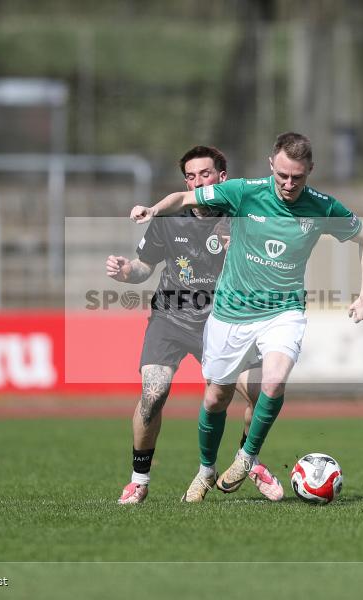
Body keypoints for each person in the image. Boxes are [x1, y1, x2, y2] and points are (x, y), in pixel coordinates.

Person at [130, 132, 363, 503]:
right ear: (270, 166)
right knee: (215, 398)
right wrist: (153, 210)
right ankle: (205, 470)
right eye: (282, 176)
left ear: (310, 170)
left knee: (274, 383)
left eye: (298, 177)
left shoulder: (322, 207)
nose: (289, 184)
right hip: (230, 313)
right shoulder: (246, 192)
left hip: (283, 310)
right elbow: (184, 197)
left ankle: (247, 458)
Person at [107, 145, 284, 505]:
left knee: (264, 392)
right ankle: (139, 479)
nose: (198, 181)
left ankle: (245, 461)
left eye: (205, 174)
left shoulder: (242, 215)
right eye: (191, 176)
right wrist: (127, 273)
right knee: (153, 394)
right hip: (170, 318)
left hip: (224, 322)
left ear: (222, 178)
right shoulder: (170, 220)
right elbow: (144, 267)